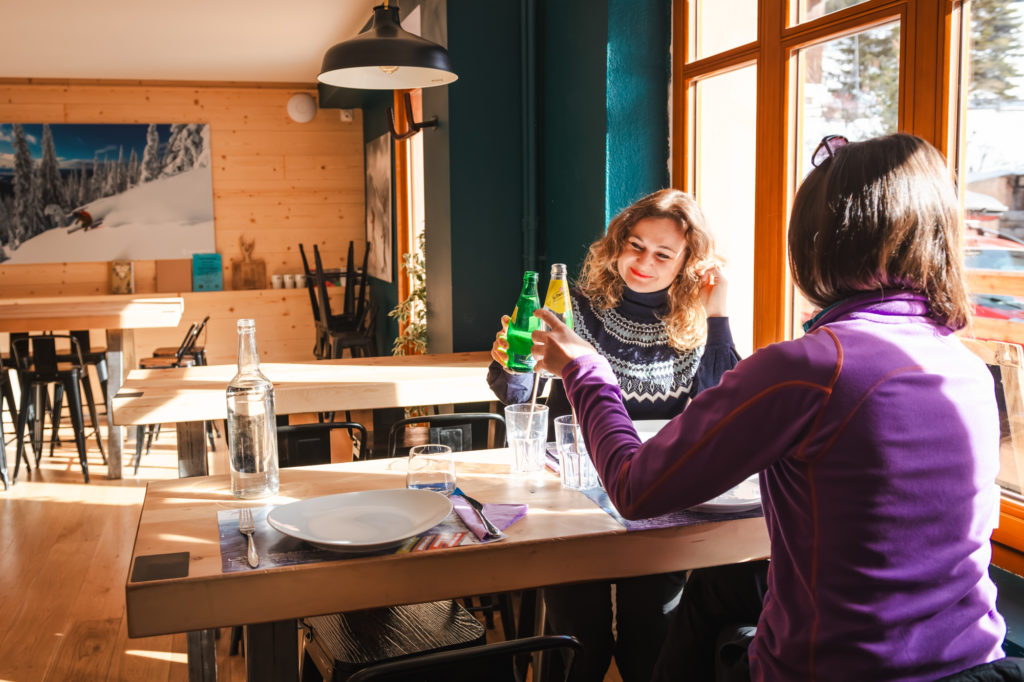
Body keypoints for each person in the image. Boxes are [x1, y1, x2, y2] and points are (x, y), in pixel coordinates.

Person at [530, 133, 1008, 681]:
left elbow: (636, 489)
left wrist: (585, 371)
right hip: (974, 660)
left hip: (833, 669)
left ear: (816, 244)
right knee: (717, 587)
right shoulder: (968, 367)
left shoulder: (808, 367)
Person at [487, 188, 741, 682]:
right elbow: (520, 390)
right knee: (583, 644)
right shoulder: (573, 306)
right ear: (619, 244)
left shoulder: (694, 322)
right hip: (570, 501)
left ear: (688, 262)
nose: (644, 261)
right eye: (635, 245)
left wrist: (720, 312)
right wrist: (508, 363)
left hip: (655, 499)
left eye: (663, 253)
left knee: (654, 639)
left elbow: (724, 400)